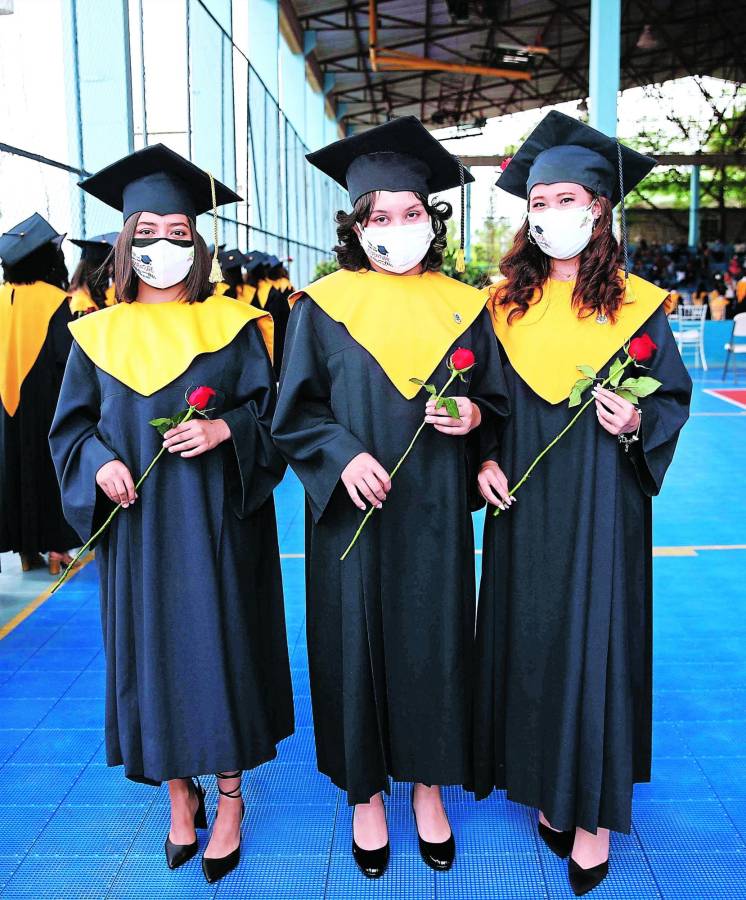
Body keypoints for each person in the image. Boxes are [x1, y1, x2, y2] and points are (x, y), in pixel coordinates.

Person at [272, 116, 509, 880]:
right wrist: (340, 456)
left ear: (432, 221)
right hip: (352, 512)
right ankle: (366, 795)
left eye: (411, 213)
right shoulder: (319, 305)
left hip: (435, 508)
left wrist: (474, 419)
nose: (396, 228)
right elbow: (295, 413)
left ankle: (429, 788)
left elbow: (497, 405)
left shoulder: (466, 306)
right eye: (380, 215)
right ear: (356, 224)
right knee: (354, 643)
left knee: (434, 643)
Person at [49, 144, 293, 884]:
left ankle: (228, 799)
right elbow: (70, 430)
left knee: (220, 651)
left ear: (197, 241)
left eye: (178, 232)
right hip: (141, 530)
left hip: (220, 524)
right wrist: (102, 464)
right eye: (147, 231)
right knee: (153, 657)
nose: (163, 245)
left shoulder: (236, 326)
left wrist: (226, 431)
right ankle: (177, 795)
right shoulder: (95, 335)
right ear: (126, 242)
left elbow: (274, 419)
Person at [471, 111, 692, 896]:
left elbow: (670, 398)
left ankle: (594, 811)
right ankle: (546, 786)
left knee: (598, 643)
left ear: (598, 207)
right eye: (538, 202)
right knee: (533, 640)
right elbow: (484, 406)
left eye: (565, 198)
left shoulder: (637, 308)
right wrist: (484, 462)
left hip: (604, 506)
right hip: (524, 512)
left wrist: (638, 420)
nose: (549, 214)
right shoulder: (503, 307)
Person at [0, 213, 80, 574]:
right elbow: (66, 356)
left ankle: (24, 552)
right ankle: (57, 549)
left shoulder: (2, 297)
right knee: (49, 469)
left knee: (12, 469)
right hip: (47, 400)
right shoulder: (53, 299)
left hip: (5, 404)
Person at [68, 232, 118, 316]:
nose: (110, 271)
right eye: (108, 266)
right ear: (97, 270)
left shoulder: (95, 295)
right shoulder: (81, 303)